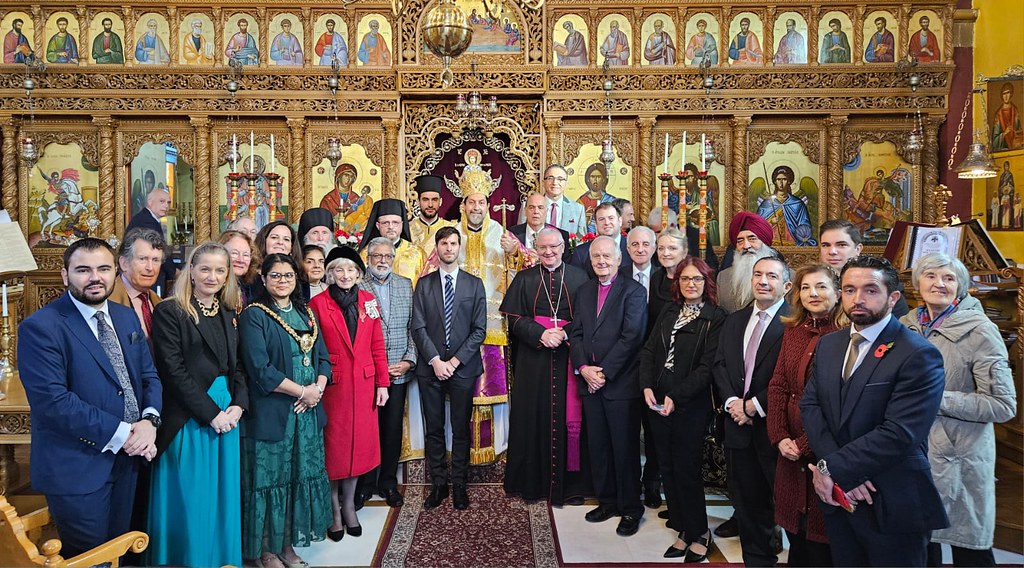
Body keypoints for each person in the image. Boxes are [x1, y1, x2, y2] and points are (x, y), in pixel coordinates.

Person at [18, 238, 162, 558]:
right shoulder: (40, 327)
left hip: (129, 461)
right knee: (91, 559)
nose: (95, 277)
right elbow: (55, 403)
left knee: (121, 554)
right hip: (77, 467)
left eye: (103, 268)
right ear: (65, 275)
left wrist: (150, 421)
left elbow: (148, 375)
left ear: (115, 271)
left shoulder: (125, 317)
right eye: (83, 270)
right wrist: (127, 434)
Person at [801, 255, 948, 566]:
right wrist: (836, 472)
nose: (858, 299)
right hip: (841, 497)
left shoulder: (918, 354)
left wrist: (832, 469)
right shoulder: (830, 345)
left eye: (870, 290)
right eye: (850, 290)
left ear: (893, 297)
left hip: (891, 498)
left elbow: (900, 433)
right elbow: (812, 405)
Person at [899, 254, 1016, 567]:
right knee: (921, 550)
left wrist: (934, 398)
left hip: (960, 456)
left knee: (970, 550)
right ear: (917, 283)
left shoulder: (980, 330)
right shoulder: (904, 327)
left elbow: (1003, 404)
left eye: (949, 278)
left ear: (960, 287)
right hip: (911, 455)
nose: (939, 283)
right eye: (931, 276)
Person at [147, 242, 248, 567]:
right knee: (193, 497)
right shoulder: (170, 310)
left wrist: (239, 406)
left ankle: (221, 559)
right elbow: (172, 371)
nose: (212, 276)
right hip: (190, 416)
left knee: (221, 497)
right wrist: (212, 414)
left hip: (227, 413)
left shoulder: (229, 310)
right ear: (191, 270)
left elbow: (240, 366)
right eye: (205, 268)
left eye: (220, 270)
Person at [238, 253, 332, 568]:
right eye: (275, 276)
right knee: (270, 482)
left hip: (306, 415)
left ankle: (288, 547)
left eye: (288, 275)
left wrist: (316, 389)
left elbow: (323, 359)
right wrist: (302, 391)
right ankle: (267, 550)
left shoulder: (306, 313)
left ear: (297, 279)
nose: (282, 281)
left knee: (297, 480)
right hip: (273, 413)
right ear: (263, 279)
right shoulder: (255, 315)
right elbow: (260, 370)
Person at [640, 256, 726, 561]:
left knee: (687, 470)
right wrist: (647, 386)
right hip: (657, 399)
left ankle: (700, 532)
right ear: (678, 283)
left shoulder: (716, 317)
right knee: (667, 467)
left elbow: (707, 368)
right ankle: (683, 528)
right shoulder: (669, 309)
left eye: (697, 279)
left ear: (707, 283)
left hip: (689, 404)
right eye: (686, 279)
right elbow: (650, 350)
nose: (691, 284)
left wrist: (677, 396)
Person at [500, 228, 592, 505]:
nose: (549, 252)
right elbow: (512, 318)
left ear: (564, 247)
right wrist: (539, 334)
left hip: (569, 355)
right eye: (542, 248)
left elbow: (589, 317)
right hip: (533, 359)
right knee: (532, 416)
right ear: (535, 249)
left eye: (554, 247)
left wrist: (564, 333)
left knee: (570, 418)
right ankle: (532, 483)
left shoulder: (579, 277)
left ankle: (571, 487)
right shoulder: (525, 278)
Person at [713, 254, 792, 566]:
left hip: (774, 430)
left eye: (771, 276)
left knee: (785, 505)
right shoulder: (735, 320)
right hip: (737, 428)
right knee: (747, 504)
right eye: (758, 275)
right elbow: (720, 364)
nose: (763, 281)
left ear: (786, 285)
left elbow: (789, 376)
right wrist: (733, 402)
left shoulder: (793, 324)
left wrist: (755, 406)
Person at [569, 236, 648, 536]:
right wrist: (583, 368)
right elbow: (575, 333)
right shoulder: (585, 290)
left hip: (620, 385)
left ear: (619, 259)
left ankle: (630, 508)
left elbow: (632, 336)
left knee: (624, 449)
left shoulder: (634, 291)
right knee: (598, 446)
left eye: (607, 256)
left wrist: (602, 373)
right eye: (596, 257)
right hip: (589, 382)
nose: (601, 261)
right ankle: (608, 501)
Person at [309, 246, 390, 540]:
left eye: (351, 270)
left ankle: (348, 505)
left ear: (359, 273)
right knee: (334, 450)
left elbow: (377, 346)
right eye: (339, 270)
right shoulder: (317, 303)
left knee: (359, 448)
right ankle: (333, 511)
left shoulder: (369, 301)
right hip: (333, 385)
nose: (345, 275)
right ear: (330, 274)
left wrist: (383, 383)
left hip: (365, 384)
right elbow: (315, 347)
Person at [767, 263, 843, 567]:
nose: (813, 293)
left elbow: (836, 404)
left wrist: (804, 444)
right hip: (789, 452)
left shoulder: (844, 334)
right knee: (796, 534)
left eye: (821, 286)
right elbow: (778, 385)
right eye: (806, 287)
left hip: (823, 449)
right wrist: (780, 436)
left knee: (823, 540)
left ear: (838, 293)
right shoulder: (794, 330)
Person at [411, 227, 487, 510]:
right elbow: (417, 327)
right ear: (437, 247)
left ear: (459, 247)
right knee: (434, 428)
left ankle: (459, 485)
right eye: (444, 243)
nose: (449, 248)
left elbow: (479, 330)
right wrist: (435, 360)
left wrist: (453, 362)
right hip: (430, 368)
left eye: (454, 243)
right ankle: (439, 485)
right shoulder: (424, 283)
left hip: (462, 369)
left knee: (460, 429)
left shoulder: (473, 284)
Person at [355, 237, 417, 509]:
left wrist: (408, 360)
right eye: (377, 256)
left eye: (387, 256)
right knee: (367, 430)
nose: (382, 261)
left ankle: (388, 483)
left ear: (394, 259)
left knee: (392, 430)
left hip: (398, 372)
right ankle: (366, 484)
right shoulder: (356, 286)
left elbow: (414, 328)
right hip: (368, 373)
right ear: (368, 259)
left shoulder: (405, 285)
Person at [818, 219, 909, 318]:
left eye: (841, 245)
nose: (832, 251)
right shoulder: (810, 285)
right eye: (825, 245)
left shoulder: (884, 284)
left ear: (858, 249)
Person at [108, 228, 165, 341]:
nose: (150, 268)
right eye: (142, 259)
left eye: (155, 260)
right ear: (124, 263)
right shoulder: (106, 301)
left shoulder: (159, 303)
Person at [717, 211, 777, 313]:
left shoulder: (789, 277)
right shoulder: (723, 277)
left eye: (752, 239)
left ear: (765, 243)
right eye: (740, 241)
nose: (746, 246)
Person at [520, 164, 587, 235]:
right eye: (550, 178)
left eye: (560, 179)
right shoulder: (528, 205)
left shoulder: (578, 209)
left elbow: (581, 238)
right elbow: (520, 235)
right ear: (543, 183)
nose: (555, 182)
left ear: (566, 183)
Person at [758, 165, 815, 246]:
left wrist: (802, 231)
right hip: (769, 244)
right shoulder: (767, 203)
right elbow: (757, 226)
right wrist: (771, 222)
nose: (781, 183)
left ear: (789, 181)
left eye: (784, 179)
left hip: (792, 244)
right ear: (774, 181)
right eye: (778, 179)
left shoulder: (797, 203)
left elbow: (805, 224)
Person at [510, 191, 571, 265]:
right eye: (531, 208)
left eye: (540, 208)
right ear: (525, 211)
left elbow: (565, 267)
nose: (536, 212)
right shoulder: (512, 234)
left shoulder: (561, 235)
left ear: (546, 211)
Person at [570, 202, 629, 274]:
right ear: (596, 225)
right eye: (601, 219)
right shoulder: (581, 253)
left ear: (620, 221)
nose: (606, 222)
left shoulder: (633, 248)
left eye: (611, 218)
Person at [409, 174, 456, 255]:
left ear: (440, 201)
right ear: (418, 201)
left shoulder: (451, 228)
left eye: (434, 200)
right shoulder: (408, 228)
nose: (430, 205)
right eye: (425, 200)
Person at [219, 230, 260, 306]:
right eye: (234, 253)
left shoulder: (250, 288)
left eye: (246, 255)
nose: (241, 260)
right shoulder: (212, 288)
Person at [577, 163, 616, 232]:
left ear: (603, 179)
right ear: (588, 179)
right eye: (592, 176)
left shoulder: (611, 200)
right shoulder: (581, 201)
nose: (595, 180)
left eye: (598, 177)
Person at [991, 82, 1021, 152]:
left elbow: (1019, 131)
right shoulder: (998, 114)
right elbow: (994, 141)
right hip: (1003, 149)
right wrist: (1005, 133)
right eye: (1004, 94)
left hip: (1015, 150)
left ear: (1011, 94)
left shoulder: (1015, 110)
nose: (1006, 96)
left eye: (1008, 93)